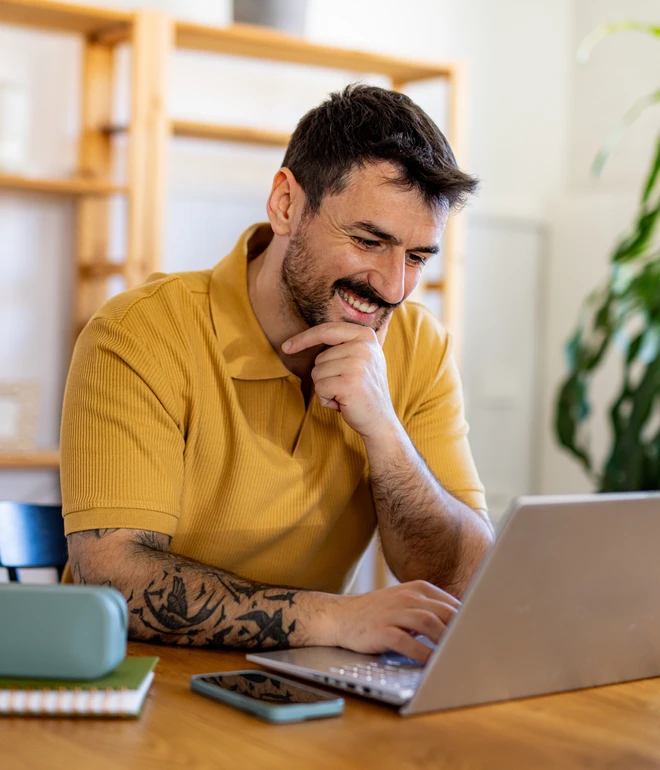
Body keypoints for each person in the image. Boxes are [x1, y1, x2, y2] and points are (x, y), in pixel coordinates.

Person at [63, 84, 494, 664]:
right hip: (133, 689)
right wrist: (335, 617)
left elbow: (463, 578)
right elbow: (112, 580)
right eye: (370, 241)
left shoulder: (420, 346)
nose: (393, 287)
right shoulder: (140, 331)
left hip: (301, 686)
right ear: (286, 204)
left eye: (417, 257)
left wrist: (386, 434)